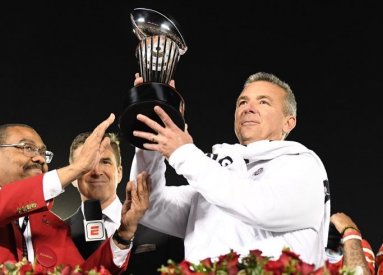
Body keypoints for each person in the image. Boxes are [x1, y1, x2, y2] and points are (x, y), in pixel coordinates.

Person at [129, 72, 330, 268]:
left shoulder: (303, 165)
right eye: (242, 102)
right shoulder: (219, 177)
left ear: (289, 122)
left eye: (263, 102)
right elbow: (149, 205)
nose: (249, 108)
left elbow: (259, 206)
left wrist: (183, 153)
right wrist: (154, 130)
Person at [0, 114, 149, 274]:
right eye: (28, 148)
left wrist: (123, 235)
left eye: (44, 152)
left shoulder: (56, 228)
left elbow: (83, 273)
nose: (40, 159)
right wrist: (77, 168)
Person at [65, 131, 184, 274]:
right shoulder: (58, 234)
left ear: (119, 172)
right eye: (87, 163)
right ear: (72, 176)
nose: (96, 171)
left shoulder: (161, 225)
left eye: (105, 162)